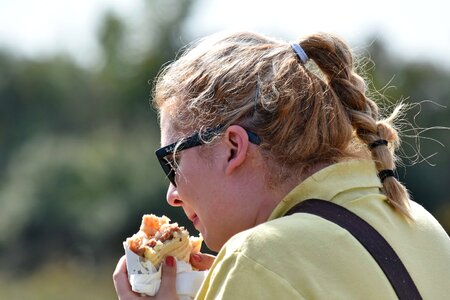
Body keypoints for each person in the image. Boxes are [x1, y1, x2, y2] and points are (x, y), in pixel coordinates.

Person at [113, 30, 450, 299]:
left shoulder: (258, 260)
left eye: (173, 160)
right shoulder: (422, 225)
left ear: (232, 147)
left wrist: (250, 274)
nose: (172, 193)